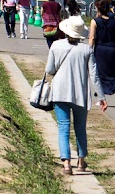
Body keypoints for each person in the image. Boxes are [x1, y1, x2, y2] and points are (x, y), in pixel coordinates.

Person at [46, 16, 94, 175]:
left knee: (63, 127)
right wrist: (101, 97)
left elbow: (49, 70)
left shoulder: (55, 45)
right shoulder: (87, 49)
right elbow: (94, 74)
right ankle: (81, 162)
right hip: (80, 93)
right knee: (80, 128)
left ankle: (66, 163)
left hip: (60, 92)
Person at [87, 0, 115, 110]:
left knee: (99, 73)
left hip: (100, 49)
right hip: (112, 48)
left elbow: (91, 37)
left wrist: (89, 50)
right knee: (113, 72)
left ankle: (101, 98)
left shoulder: (95, 21)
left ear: (97, 7)